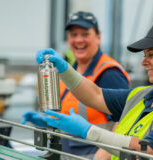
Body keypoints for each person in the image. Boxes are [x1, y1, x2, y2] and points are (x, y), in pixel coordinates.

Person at [25, 20, 153, 159]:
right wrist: (64, 69)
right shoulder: (141, 96)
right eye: (144, 55)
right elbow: (96, 95)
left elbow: (147, 151)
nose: (144, 62)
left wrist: (87, 131)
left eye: (152, 54)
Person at [22, 11, 130, 159]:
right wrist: (46, 121)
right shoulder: (69, 72)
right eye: (74, 35)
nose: (79, 40)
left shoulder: (109, 73)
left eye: (85, 34)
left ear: (98, 37)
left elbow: (125, 125)